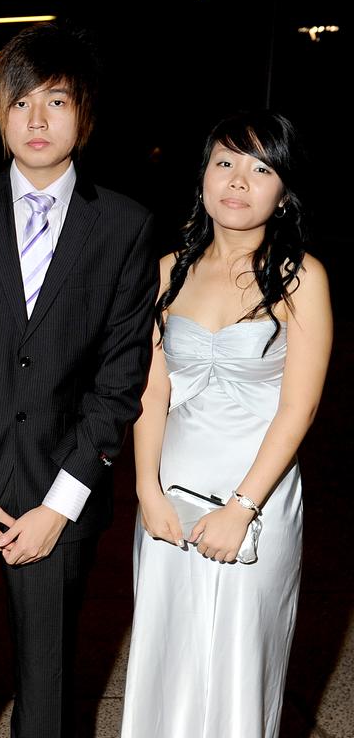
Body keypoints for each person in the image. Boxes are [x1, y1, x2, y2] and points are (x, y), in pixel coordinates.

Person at [0, 23, 158, 737]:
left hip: (58, 486)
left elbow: (120, 375)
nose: (37, 120)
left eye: (56, 101)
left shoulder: (126, 228)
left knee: (47, 688)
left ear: (86, 114)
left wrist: (61, 504)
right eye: (20, 103)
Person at [121, 110, 333, 738]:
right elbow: (150, 390)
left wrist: (242, 505)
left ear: (283, 189)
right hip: (171, 489)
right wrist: (146, 492)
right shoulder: (167, 271)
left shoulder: (301, 278)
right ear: (204, 177)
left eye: (260, 168)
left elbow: (300, 408)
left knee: (243, 655)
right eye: (225, 164)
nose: (238, 181)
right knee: (167, 651)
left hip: (256, 490)